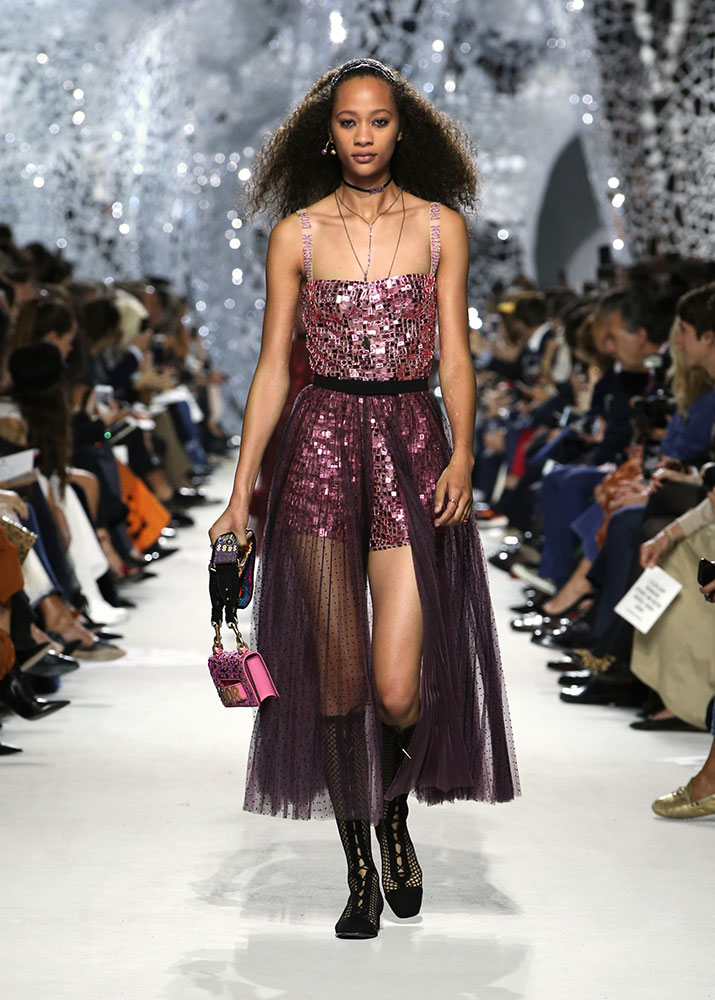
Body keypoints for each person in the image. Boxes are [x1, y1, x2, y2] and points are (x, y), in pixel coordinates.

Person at [210, 57, 519, 940]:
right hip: (317, 452)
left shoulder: (439, 228)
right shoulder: (297, 235)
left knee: (394, 688)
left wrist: (464, 452)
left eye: (378, 121)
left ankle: (392, 813)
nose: (363, 137)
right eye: (348, 122)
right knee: (340, 681)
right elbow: (274, 368)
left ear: (400, 129)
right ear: (326, 134)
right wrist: (240, 496)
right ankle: (357, 869)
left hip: (412, 447)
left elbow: (454, 356)